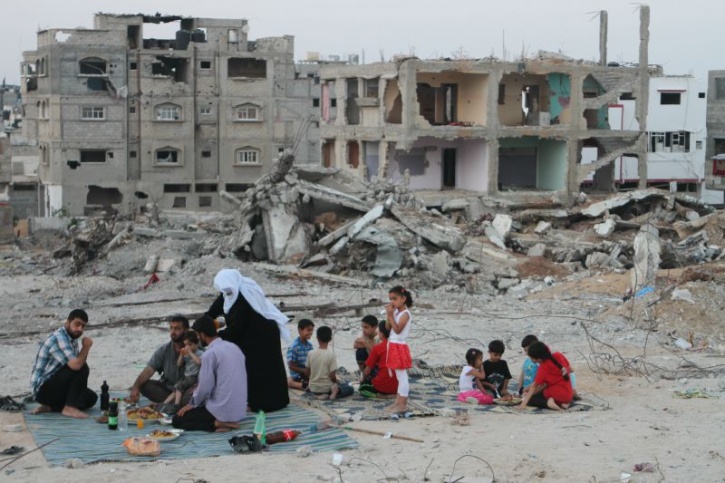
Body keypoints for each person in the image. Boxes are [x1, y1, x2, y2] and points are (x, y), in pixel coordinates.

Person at [206, 269, 290, 412]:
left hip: (262, 336)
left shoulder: (243, 298)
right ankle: (260, 401)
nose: (226, 292)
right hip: (250, 335)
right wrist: (204, 324)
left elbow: (235, 330)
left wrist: (213, 337)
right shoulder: (229, 292)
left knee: (261, 369)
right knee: (253, 369)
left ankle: (266, 403)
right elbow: (212, 312)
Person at [173, 315, 247, 432]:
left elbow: (205, 388)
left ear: (202, 335)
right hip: (239, 410)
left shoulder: (209, 354)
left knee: (177, 420)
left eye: (198, 336)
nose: (198, 339)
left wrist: (192, 404)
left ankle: (217, 423)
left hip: (221, 410)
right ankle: (223, 422)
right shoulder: (234, 347)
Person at [30, 309, 98, 419]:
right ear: (67, 322)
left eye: (83, 326)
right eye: (77, 324)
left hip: (56, 386)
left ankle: (52, 407)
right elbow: (76, 366)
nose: (80, 329)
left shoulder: (72, 338)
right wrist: (86, 347)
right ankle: (69, 408)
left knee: (91, 398)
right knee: (82, 367)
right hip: (42, 390)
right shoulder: (59, 337)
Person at [129, 316, 194, 406]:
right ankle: (173, 404)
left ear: (186, 330)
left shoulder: (195, 348)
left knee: (195, 394)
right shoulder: (164, 349)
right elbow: (149, 370)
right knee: (144, 385)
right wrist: (135, 387)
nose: (173, 332)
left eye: (177, 328)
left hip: (186, 391)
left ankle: (171, 404)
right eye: (171, 328)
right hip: (168, 390)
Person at [518, 341, 573, 411]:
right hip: (569, 394)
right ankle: (562, 403)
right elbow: (570, 369)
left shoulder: (544, 367)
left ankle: (548, 403)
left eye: (531, 358)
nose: (532, 360)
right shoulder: (559, 355)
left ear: (538, 359)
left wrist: (524, 403)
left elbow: (534, 386)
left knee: (531, 399)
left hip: (556, 393)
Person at [385, 285, 414, 413]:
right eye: (391, 299)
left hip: (399, 345)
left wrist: (391, 316)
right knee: (398, 376)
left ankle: (403, 404)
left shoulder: (405, 314)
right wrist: (389, 315)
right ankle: (398, 402)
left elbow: (397, 330)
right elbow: (387, 327)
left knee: (402, 376)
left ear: (403, 299)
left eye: (395, 299)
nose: (392, 302)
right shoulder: (396, 312)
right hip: (393, 344)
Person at [306, 326, 352, 400]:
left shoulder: (310, 353)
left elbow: (307, 372)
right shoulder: (331, 355)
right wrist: (336, 382)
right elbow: (332, 376)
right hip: (327, 388)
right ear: (330, 339)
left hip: (313, 388)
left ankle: (318, 395)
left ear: (317, 338)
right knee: (348, 388)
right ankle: (334, 393)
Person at [162, 330, 204, 411]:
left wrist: (190, 353)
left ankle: (176, 405)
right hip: (186, 376)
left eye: (190, 345)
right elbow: (179, 364)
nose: (188, 347)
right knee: (176, 388)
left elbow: (199, 362)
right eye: (186, 345)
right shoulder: (187, 353)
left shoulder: (200, 353)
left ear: (197, 343)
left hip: (194, 377)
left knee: (179, 386)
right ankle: (164, 404)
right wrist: (181, 355)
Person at [359, 321, 398, 398]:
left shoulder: (378, 348)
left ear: (382, 334)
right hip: (398, 387)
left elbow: (367, 371)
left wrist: (362, 381)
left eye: (379, 331)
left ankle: (381, 395)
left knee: (362, 389)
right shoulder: (399, 346)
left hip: (382, 385)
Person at [287, 319, 315, 390]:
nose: (310, 332)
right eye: (308, 330)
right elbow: (291, 366)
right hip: (298, 374)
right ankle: (291, 383)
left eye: (312, 330)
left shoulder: (309, 346)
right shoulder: (294, 347)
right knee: (313, 387)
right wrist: (304, 370)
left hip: (307, 372)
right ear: (300, 330)